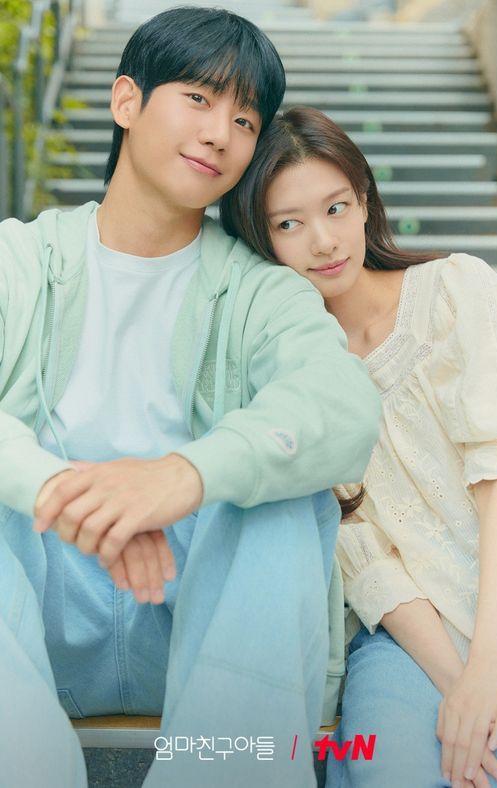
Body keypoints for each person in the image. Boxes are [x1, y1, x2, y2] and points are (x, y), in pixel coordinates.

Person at [0, 13, 382, 788]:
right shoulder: (20, 261)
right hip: (34, 622)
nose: (220, 134)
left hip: (205, 634)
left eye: (245, 120)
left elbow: (343, 406)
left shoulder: (260, 290)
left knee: (277, 498)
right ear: (126, 102)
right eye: (200, 99)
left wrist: (182, 476)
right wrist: (67, 497)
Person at [219, 105, 497, 788]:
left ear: (364, 203)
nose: (323, 241)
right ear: (261, 239)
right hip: (408, 637)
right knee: (387, 770)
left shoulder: (456, 290)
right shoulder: (288, 377)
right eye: (289, 224)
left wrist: (491, 665)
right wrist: (459, 682)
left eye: (335, 208)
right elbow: (362, 555)